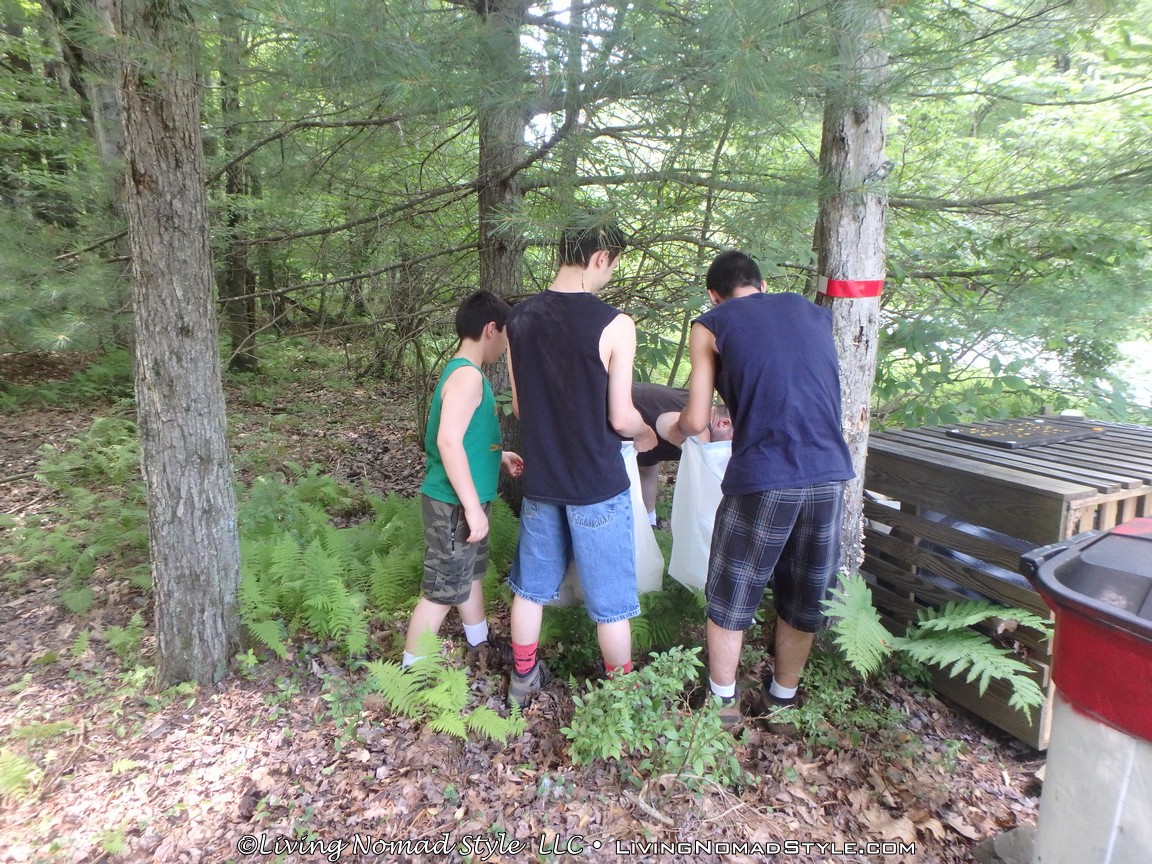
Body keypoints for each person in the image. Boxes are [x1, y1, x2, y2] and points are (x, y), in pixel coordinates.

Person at [666, 250, 855, 727]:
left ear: (714, 295)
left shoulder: (711, 324)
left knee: (731, 593)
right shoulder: (813, 313)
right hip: (829, 473)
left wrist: (669, 430)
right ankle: (783, 701)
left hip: (765, 474)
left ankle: (723, 706)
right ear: (762, 284)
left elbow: (696, 418)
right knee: (804, 595)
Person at [504, 219, 658, 708]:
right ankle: (620, 695)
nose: (610, 274)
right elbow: (620, 416)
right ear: (600, 257)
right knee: (611, 604)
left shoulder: (518, 319)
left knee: (531, 590)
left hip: (543, 479)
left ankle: (523, 678)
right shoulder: (616, 324)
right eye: (613, 264)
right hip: (596, 482)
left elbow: (521, 408)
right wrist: (646, 433)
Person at [402, 291, 524, 669]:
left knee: (470, 575)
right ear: (491, 329)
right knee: (441, 590)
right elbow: (448, 441)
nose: (505, 346)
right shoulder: (468, 376)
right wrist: (471, 508)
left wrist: (498, 456)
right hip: (454, 503)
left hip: (465, 500)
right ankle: (411, 672)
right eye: (505, 337)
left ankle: (479, 642)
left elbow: (466, 439)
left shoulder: (468, 374)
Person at [631, 383, 733, 528]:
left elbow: (649, 465)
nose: (732, 449)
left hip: (627, 431)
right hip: (603, 408)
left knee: (648, 469)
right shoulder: (698, 425)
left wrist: (649, 519)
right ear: (724, 423)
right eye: (733, 442)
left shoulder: (697, 404)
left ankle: (650, 522)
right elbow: (666, 423)